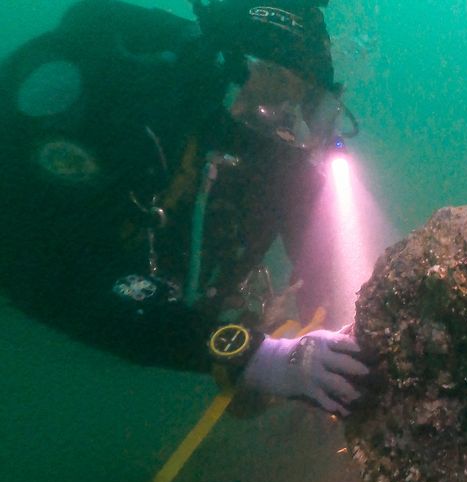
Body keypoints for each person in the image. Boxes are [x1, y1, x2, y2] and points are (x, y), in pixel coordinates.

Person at [0, 0, 369, 415]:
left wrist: (333, 333)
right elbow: (48, 274)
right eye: (272, 84)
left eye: (307, 104)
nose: (285, 119)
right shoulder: (132, 115)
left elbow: (318, 248)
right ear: (220, 68)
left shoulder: (269, 145)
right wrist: (254, 356)